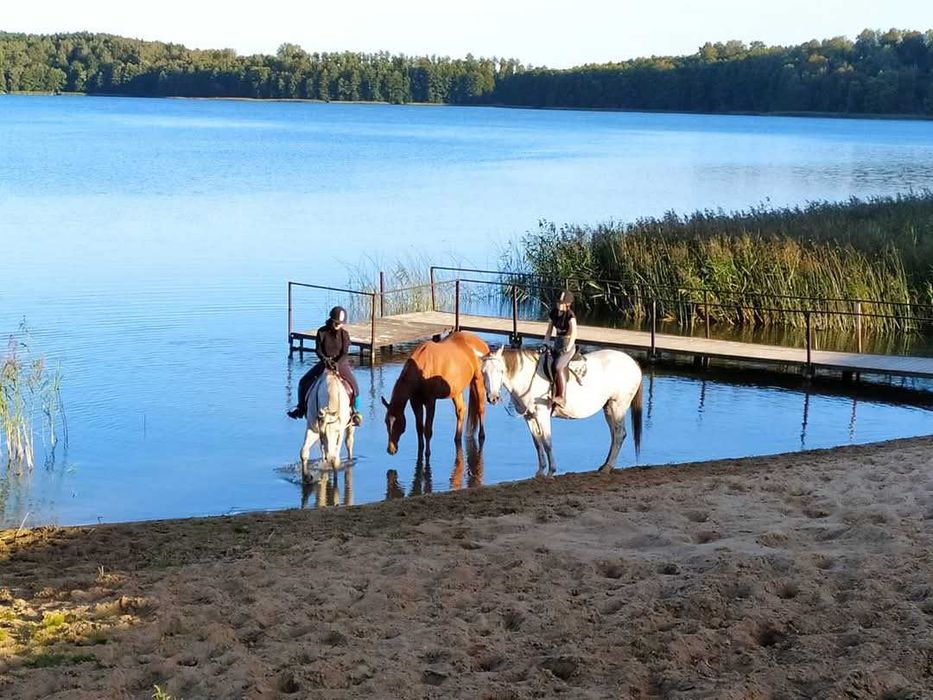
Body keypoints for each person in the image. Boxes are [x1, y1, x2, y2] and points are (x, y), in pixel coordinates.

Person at [288, 306, 363, 426]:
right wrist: (325, 360)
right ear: (331, 320)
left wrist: (337, 363)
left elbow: (344, 353)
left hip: (341, 363)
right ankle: (301, 408)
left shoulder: (345, 335)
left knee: (355, 387)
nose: (338, 325)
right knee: (303, 382)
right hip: (324, 362)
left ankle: (356, 412)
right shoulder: (322, 332)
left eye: (340, 323)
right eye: (336, 322)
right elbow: (318, 350)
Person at [542, 290, 577, 408]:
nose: (558, 305)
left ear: (568, 305)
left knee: (558, 366)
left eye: (561, 303)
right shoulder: (553, 314)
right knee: (545, 361)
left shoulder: (570, 316)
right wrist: (545, 343)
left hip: (568, 345)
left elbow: (574, 334)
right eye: (558, 303)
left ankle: (562, 396)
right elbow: (549, 331)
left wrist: (568, 347)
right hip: (557, 343)